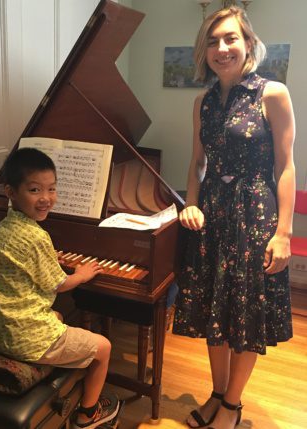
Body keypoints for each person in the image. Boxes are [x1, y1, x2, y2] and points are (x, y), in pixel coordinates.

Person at [172, 7, 295, 429]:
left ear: (248, 43)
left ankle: (233, 406)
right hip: (212, 214)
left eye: (229, 39)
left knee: (246, 311)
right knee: (214, 308)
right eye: (212, 41)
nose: (221, 48)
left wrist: (284, 233)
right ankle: (217, 393)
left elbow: (287, 166)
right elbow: (197, 163)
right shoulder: (202, 102)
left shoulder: (272, 93)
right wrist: (190, 202)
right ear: (204, 50)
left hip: (255, 213)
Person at [0, 148, 120, 429]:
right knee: (104, 347)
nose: (46, 198)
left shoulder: (2, 228)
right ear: (11, 191)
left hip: (0, 330)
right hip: (26, 338)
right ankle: (88, 415)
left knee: (59, 317)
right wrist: (82, 274)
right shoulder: (36, 236)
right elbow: (60, 284)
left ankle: (68, 386)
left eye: (52, 189)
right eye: (35, 190)